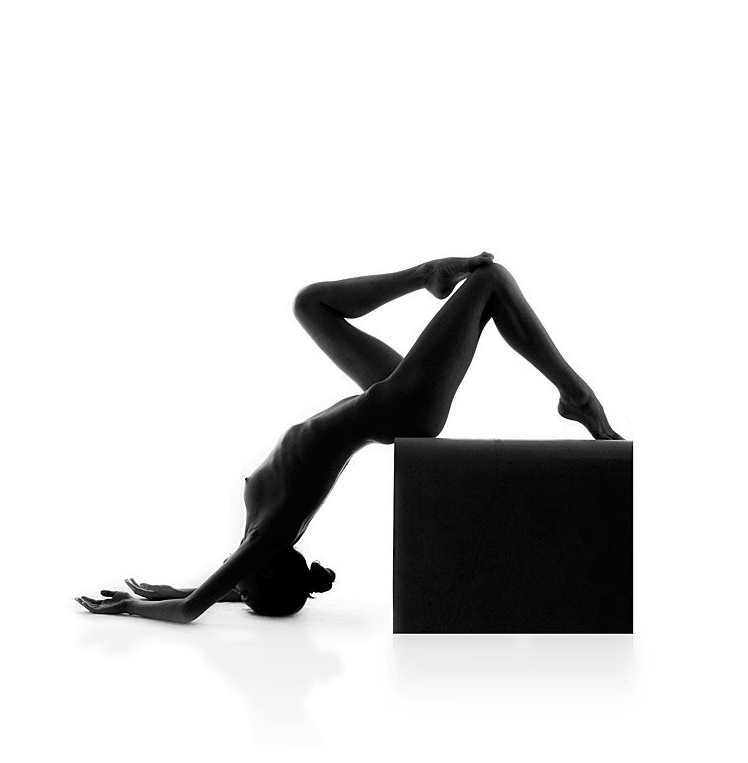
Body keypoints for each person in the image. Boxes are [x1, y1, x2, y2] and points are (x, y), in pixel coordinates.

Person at [76, 253, 623, 622]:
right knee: (492, 281)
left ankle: (425, 276)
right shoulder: (274, 532)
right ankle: (577, 397)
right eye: (244, 588)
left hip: (383, 395)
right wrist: (137, 609)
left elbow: (203, 595)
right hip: (403, 407)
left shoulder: (258, 538)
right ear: (263, 571)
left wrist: (163, 592)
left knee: (309, 304)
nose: (235, 586)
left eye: (236, 589)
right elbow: (195, 607)